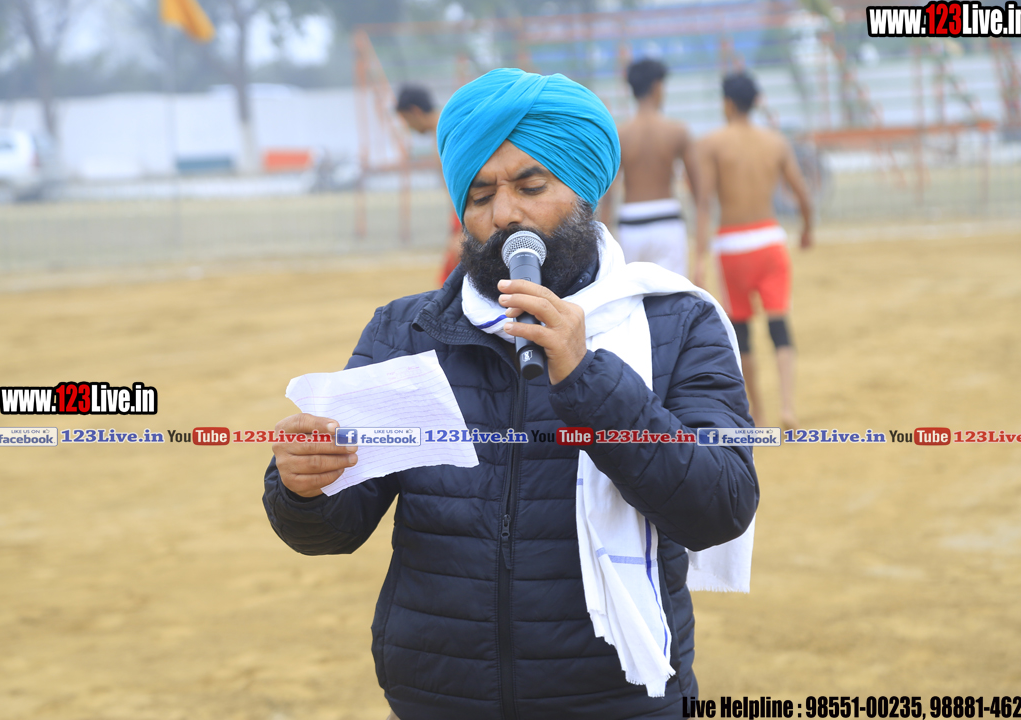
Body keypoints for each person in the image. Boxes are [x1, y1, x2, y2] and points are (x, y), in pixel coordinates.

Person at [264, 68, 758, 720]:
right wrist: (301, 488)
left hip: (618, 704)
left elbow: (720, 507)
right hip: (439, 701)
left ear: (584, 190)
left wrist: (587, 378)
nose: (504, 215)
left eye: (531, 187)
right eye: (480, 195)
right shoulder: (407, 331)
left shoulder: (678, 322)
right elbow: (334, 527)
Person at [697, 70, 814, 430]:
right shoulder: (776, 142)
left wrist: (699, 257)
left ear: (727, 103)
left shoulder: (711, 143)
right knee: (780, 325)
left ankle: (758, 415)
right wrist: (807, 229)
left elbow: (704, 204)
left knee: (742, 331)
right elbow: (802, 194)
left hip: (732, 246)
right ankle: (788, 407)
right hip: (769, 240)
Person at [602, 58, 705, 278]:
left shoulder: (620, 135)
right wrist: (701, 255)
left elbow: (608, 194)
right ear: (657, 87)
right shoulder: (677, 132)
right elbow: (699, 194)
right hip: (667, 221)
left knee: (634, 293)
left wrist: (602, 247)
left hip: (631, 223)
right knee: (673, 295)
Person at [395, 84, 463, 286]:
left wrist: (463, 229)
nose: (407, 126)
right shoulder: (443, 131)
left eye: (406, 119)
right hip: (460, 215)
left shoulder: (449, 132)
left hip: (465, 214)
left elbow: (465, 184)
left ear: (415, 112)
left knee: (450, 280)